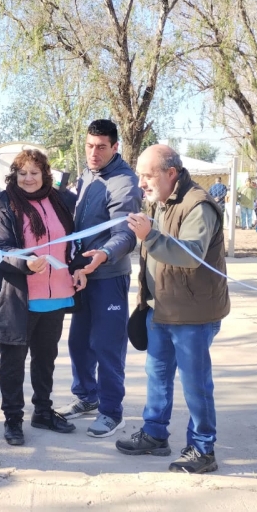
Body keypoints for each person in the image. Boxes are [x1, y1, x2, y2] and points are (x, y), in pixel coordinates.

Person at [116, 144, 229, 474]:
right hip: (160, 309)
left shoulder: (199, 205)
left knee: (195, 383)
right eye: (139, 175)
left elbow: (191, 254)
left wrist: (148, 236)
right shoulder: (161, 203)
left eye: (147, 175)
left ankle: (202, 448)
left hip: (192, 315)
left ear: (171, 173)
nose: (141, 183)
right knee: (158, 375)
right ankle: (154, 434)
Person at [0, 149, 84, 446]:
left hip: (57, 295)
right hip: (20, 297)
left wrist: (78, 268)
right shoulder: (5, 203)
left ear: (44, 174)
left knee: (45, 359)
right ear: (15, 175)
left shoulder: (60, 201)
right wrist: (24, 262)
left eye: (34, 172)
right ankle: (13, 418)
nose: (28, 178)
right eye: (22, 172)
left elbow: (71, 242)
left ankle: (43, 410)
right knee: (13, 361)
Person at [57, 119, 142, 438]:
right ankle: (87, 398)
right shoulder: (88, 175)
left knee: (106, 345)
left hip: (108, 276)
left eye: (101, 147)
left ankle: (111, 411)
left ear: (115, 147)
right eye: (89, 146)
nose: (94, 153)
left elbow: (126, 234)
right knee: (79, 343)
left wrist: (104, 255)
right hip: (82, 275)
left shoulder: (124, 183)